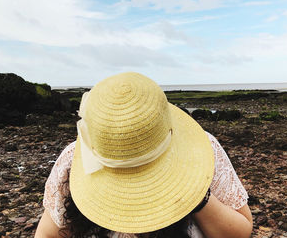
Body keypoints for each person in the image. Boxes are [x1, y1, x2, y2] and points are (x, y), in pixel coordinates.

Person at [35, 72, 252, 238]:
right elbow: (47, 234)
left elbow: (241, 231)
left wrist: (196, 195)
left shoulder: (204, 150)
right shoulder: (72, 161)